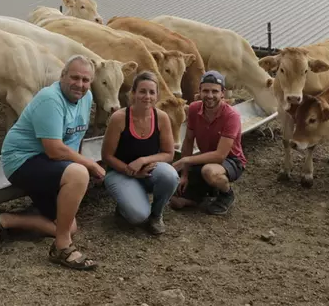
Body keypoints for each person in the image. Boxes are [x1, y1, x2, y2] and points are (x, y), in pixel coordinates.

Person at [0, 55, 106, 270]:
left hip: (49, 165)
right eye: (75, 77)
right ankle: (62, 247)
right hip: (22, 161)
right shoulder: (50, 99)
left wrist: (75, 169)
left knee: (70, 225)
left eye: (86, 80)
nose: (80, 84)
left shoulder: (86, 98)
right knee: (79, 173)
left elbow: (76, 138)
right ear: (62, 76)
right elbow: (55, 149)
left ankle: (3, 219)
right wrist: (89, 165)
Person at [100, 71, 180, 235]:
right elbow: (107, 156)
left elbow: (168, 154)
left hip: (147, 169)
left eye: (152, 92)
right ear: (133, 94)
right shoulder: (119, 118)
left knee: (170, 175)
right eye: (142, 91)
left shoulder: (162, 117)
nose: (147, 96)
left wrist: (143, 160)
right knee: (137, 217)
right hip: (119, 172)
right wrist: (131, 171)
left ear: (157, 95)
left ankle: (157, 214)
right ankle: (126, 206)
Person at [169, 70, 246, 215]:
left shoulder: (231, 116)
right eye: (205, 91)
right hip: (205, 157)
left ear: (222, 93)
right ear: (199, 91)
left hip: (231, 160)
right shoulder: (193, 108)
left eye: (214, 91)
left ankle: (226, 194)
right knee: (175, 200)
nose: (210, 96)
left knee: (209, 171)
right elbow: (188, 140)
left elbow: (220, 156)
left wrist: (186, 160)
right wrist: (185, 174)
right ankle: (205, 193)